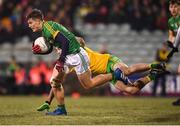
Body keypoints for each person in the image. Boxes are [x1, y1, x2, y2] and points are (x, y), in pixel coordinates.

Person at [27, 9, 134, 115]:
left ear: (38, 20)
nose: (29, 25)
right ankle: (60, 109)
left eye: (30, 22)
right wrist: (39, 52)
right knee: (55, 81)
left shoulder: (48, 27)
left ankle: (115, 74)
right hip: (68, 57)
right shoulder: (45, 31)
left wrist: (61, 61)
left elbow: (65, 41)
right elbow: (52, 47)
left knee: (88, 84)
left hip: (76, 55)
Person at [36, 37, 166, 113]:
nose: (59, 52)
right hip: (110, 74)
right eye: (58, 51)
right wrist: (48, 101)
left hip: (108, 61)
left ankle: (154, 65)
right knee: (130, 90)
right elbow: (57, 83)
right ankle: (153, 75)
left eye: (59, 49)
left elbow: (80, 40)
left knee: (127, 71)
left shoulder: (76, 49)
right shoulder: (72, 64)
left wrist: (72, 40)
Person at [166, 0, 180, 106]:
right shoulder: (170, 21)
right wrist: (170, 42)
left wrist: (174, 45)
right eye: (171, 7)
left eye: (175, 6)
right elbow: (171, 35)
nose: (173, 9)